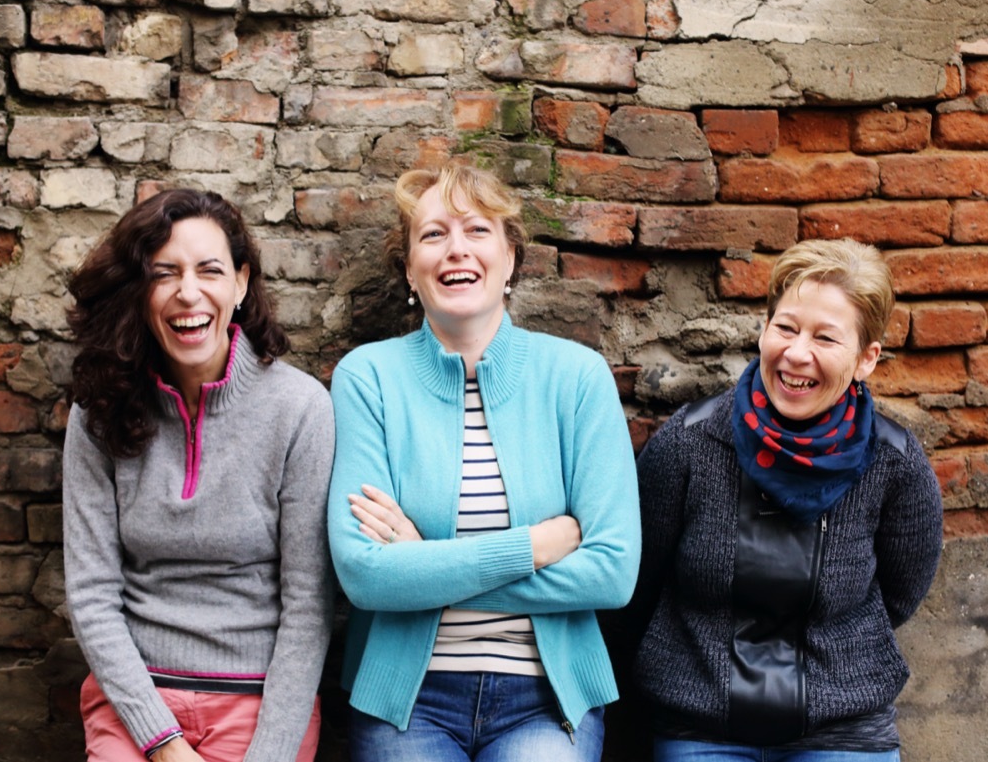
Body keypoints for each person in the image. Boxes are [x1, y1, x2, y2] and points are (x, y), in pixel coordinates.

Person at [327, 162, 641, 762]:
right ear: (410, 272)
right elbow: (366, 576)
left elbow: (612, 573)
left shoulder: (576, 378)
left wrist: (425, 569)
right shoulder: (367, 379)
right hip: (408, 700)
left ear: (511, 259)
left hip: (546, 698)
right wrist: (535, 546)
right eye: (433, 234)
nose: (456, 250)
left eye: (476, 230)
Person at [620, 238, 943, 761]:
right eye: (785, 328)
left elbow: (901, 594)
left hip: (842, 726)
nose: (796, 353)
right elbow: (636, 585)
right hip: (701, 725)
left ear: (866, 359)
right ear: (763, 331)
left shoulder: (894, 461)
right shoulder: (691, 442)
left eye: (825, 338)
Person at [62, 188, 335, 762]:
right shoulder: (98, 409)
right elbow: (90, 595)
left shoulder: (300, 408)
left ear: (240, 284)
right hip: (135, 702)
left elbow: (309, 606)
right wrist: (162, 741)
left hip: (261, 705)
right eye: (164, 274)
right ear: (140, 292)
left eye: (209, 270)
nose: (189, 292)